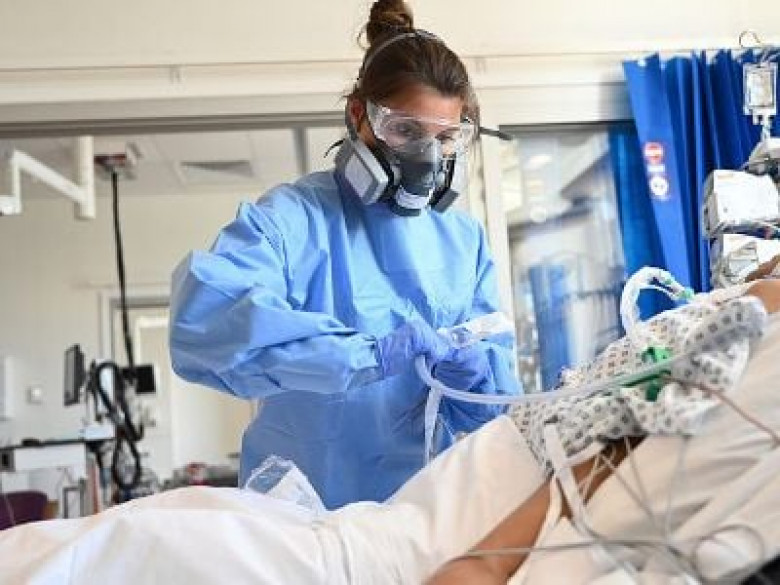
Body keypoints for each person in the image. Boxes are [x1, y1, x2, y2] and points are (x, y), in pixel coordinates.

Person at [168, 0, 520, 510]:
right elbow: (203, 324)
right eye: (406, 130)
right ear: (359, 115)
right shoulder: (292, 219)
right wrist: (366, 356)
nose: (427, 159)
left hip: (422, 515)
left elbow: (496, 411)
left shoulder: (464, 241)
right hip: (301, 513)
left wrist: (477, 382)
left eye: (445, 138)